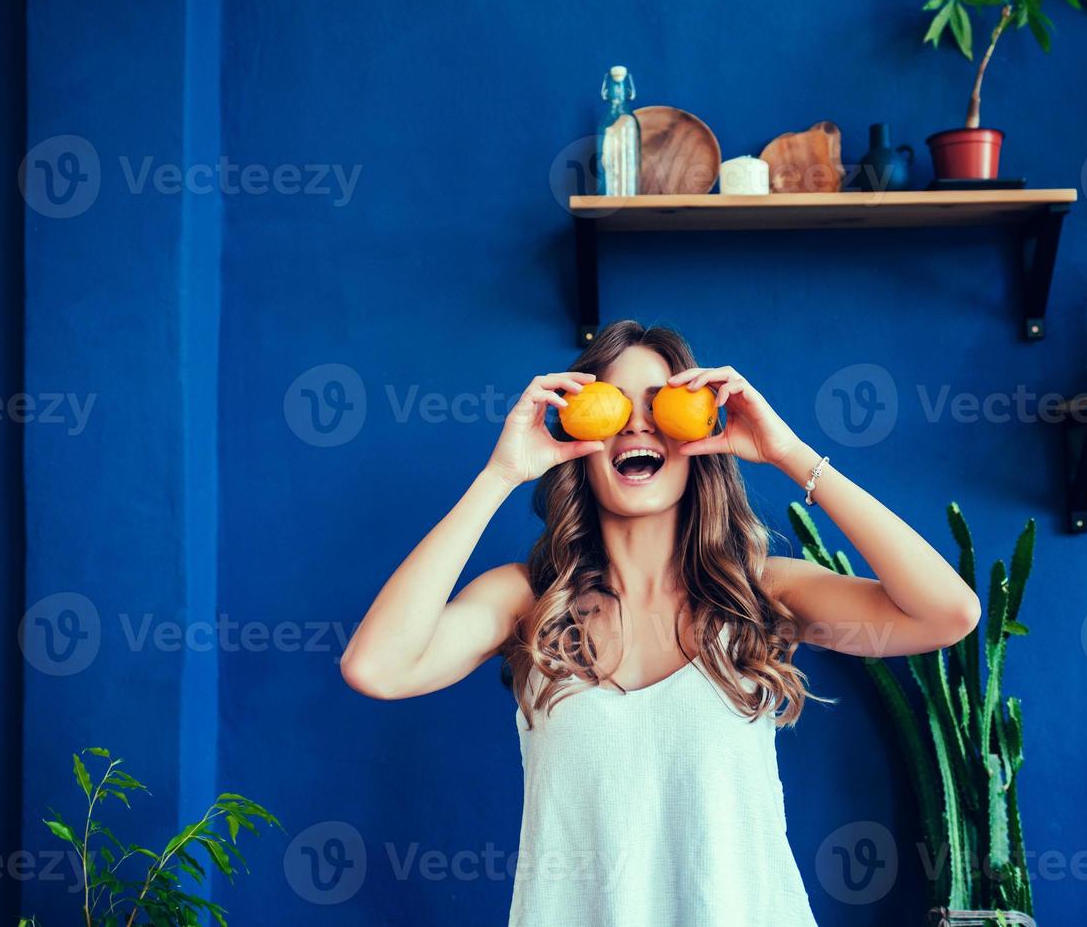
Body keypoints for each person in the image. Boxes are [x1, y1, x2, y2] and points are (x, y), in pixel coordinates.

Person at [340, 320, 980, 926]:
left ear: (699, 433)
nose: (638, 425)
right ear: (579, 441)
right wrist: (500, 474)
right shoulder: (526, 601)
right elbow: (377, 668)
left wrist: (790, 454)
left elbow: (948, 614)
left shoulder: (759, 591)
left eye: (660, 405)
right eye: (614, 407)